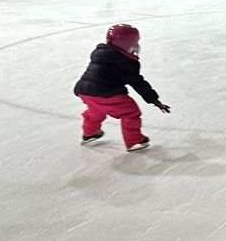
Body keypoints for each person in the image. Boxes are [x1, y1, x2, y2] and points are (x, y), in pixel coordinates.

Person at [73, 24, 170, 153]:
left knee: (95, 111)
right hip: (107, 92)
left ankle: (90, 133)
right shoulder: (124, 62)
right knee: (130, 112)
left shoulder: (101, 54)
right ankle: (134, 141)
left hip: (84, 91)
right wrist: (154, 100)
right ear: (126, 44)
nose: (136, 46)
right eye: (135, 43)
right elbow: (138, 83)